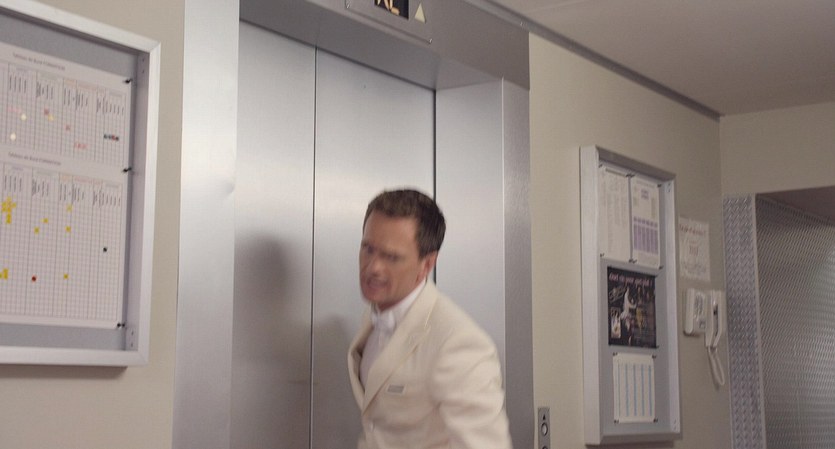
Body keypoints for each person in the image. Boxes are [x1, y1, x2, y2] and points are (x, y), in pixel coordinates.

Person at [347, 189, 513, 449]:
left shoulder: (458, 342)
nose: (373, 267)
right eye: (368, 249)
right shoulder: (373, 316)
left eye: (391, 257)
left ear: (426, 265)